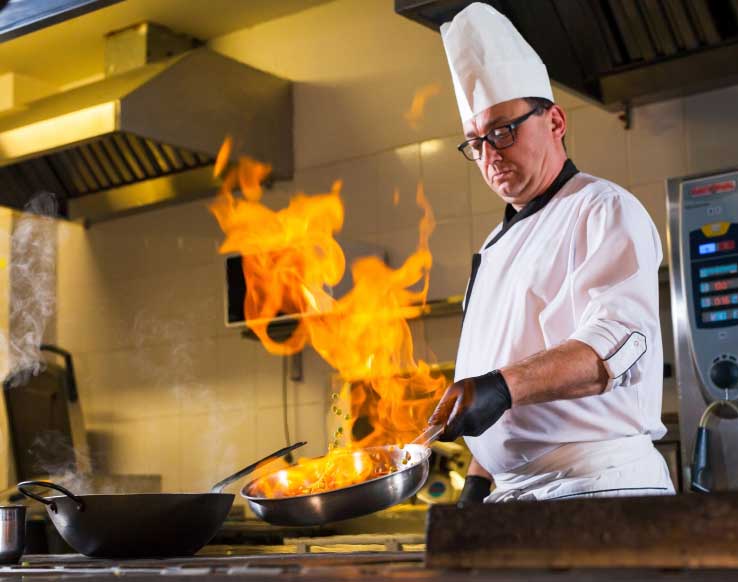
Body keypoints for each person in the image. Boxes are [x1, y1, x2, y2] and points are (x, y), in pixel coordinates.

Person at [429, 2, 675, 503]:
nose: (490, 154)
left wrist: (500, 387)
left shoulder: (601, 208)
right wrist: (477, 482)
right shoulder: (495, 245)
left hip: (596, 488)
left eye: (503, 130)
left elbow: (620, 343)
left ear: (556, 121)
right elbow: (497, 388)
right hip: (518, 495)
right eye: (476, 142)